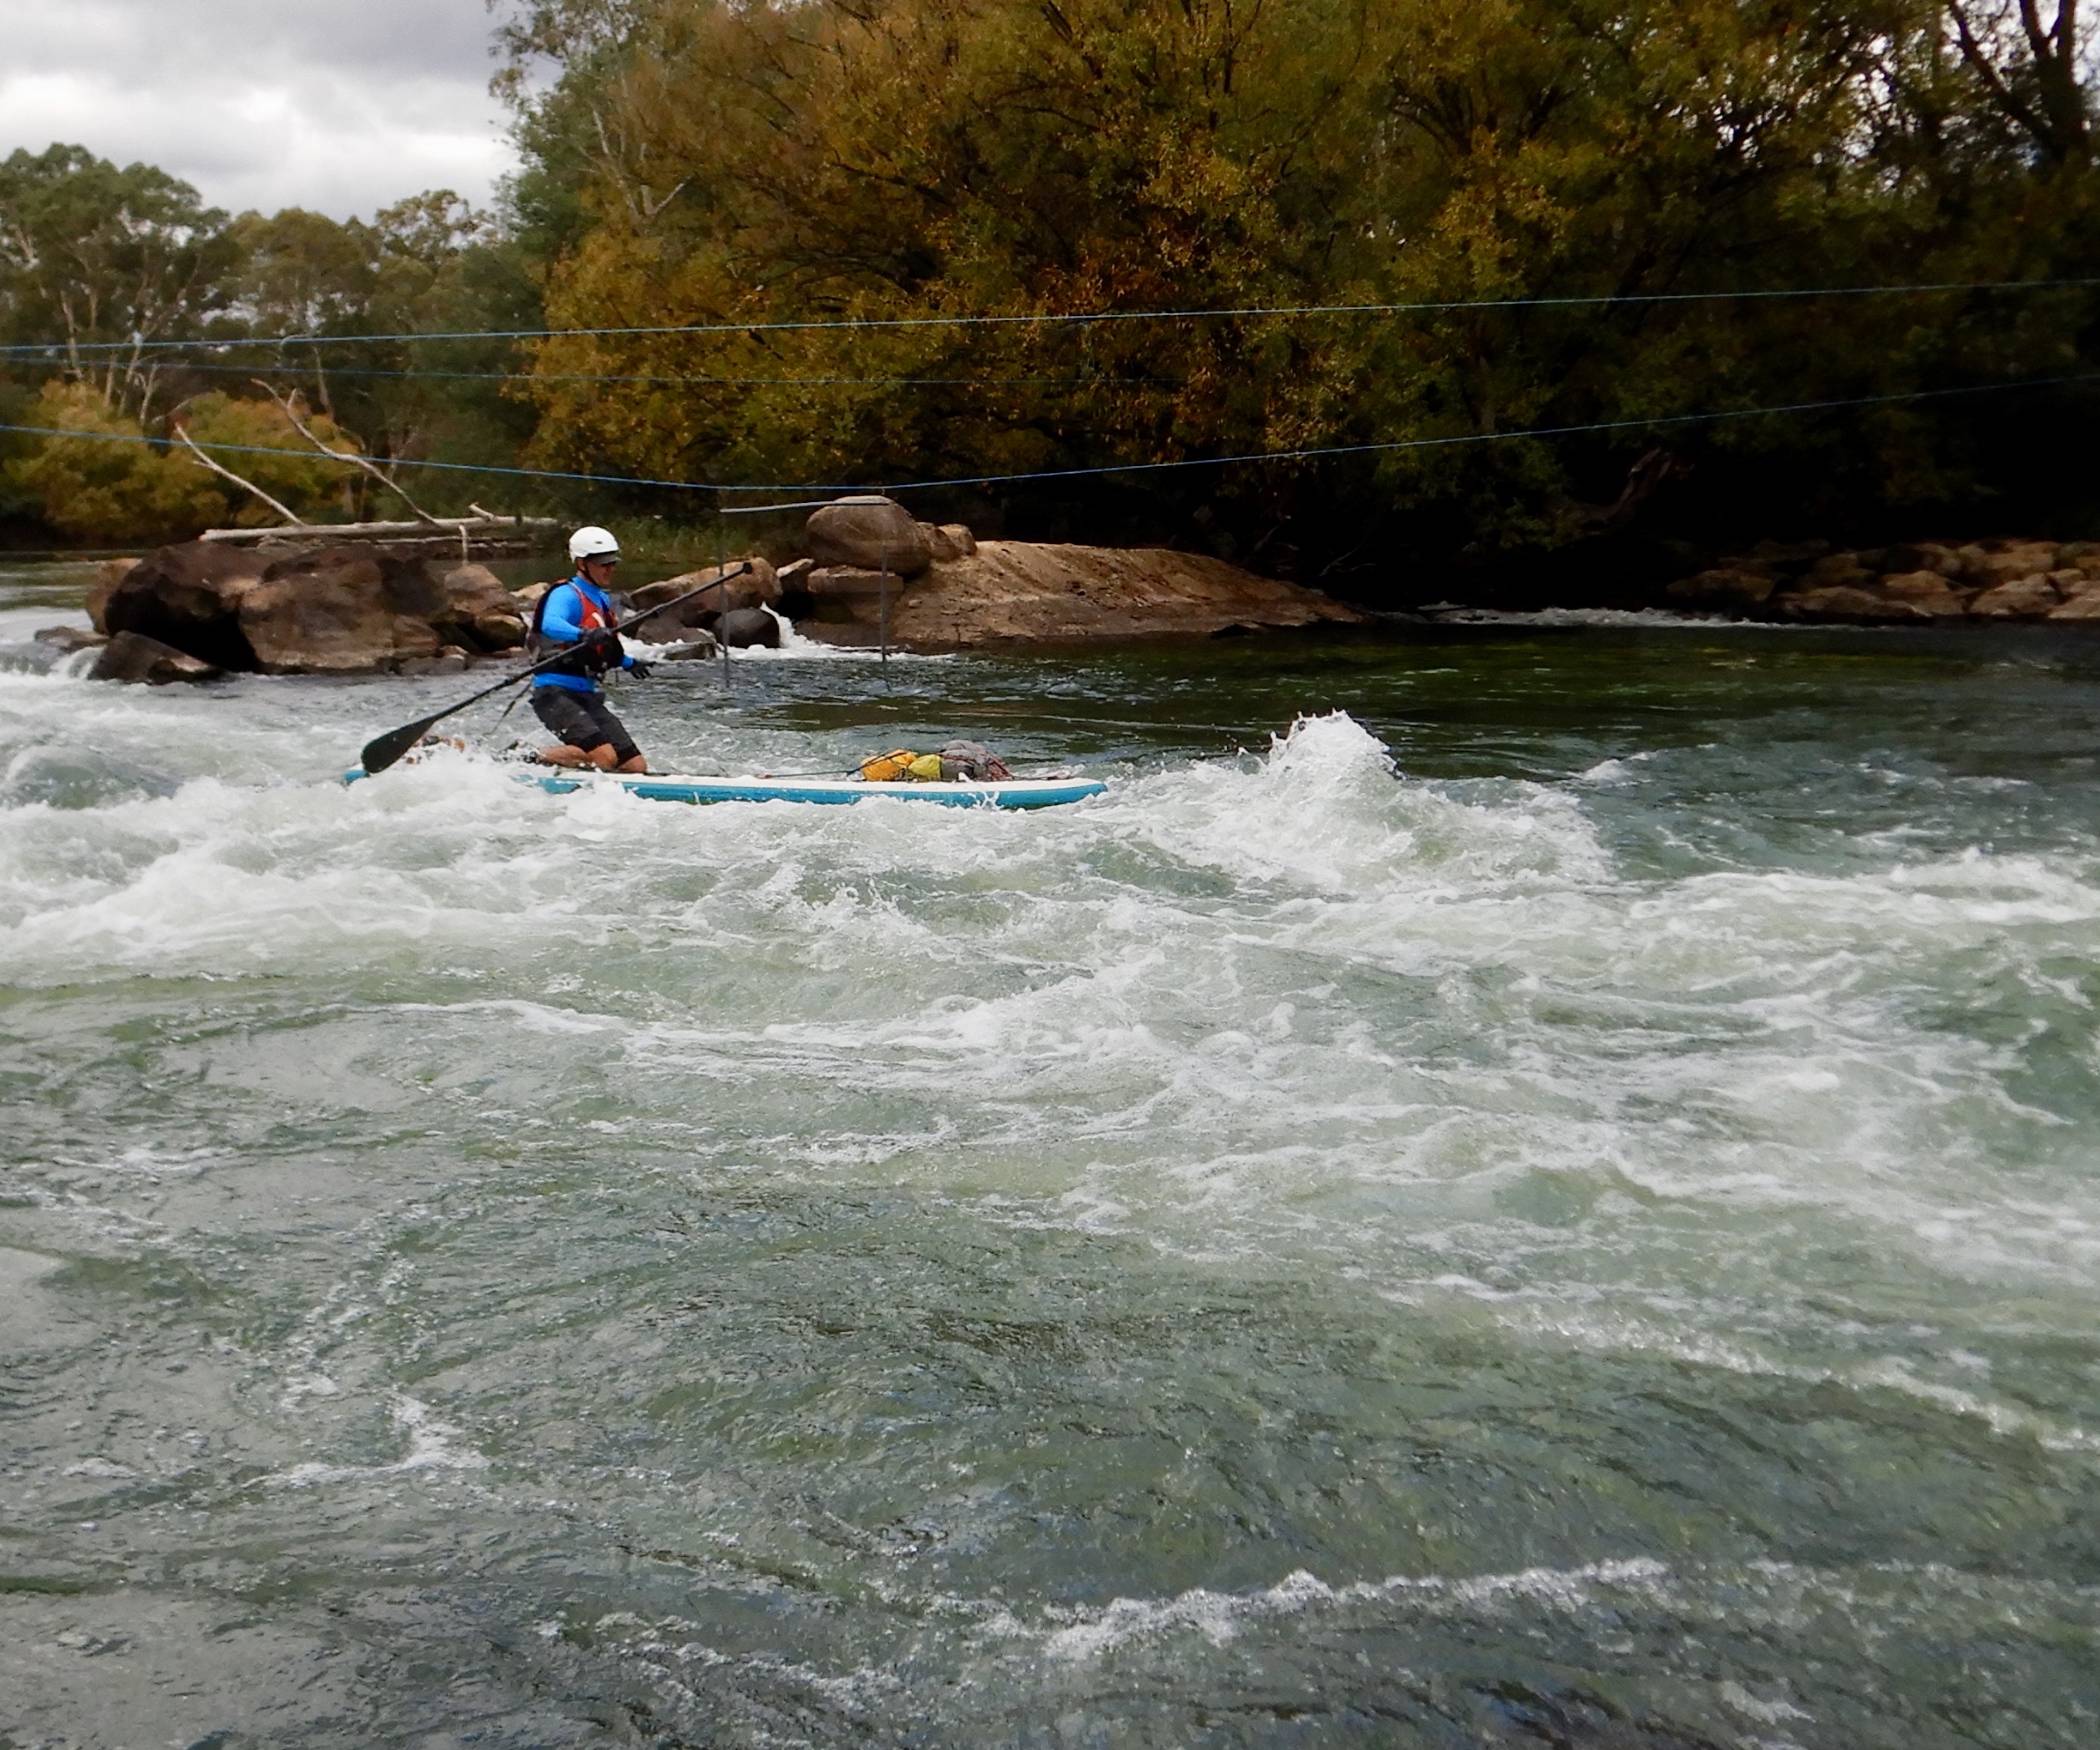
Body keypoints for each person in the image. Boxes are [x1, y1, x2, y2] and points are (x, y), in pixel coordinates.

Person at [531, 526, 655, 773]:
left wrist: (629, 663)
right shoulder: (567, 594)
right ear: (581, 563)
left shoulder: (602, 600)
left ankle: (573, 767)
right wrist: (583, 634)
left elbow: (603, 647)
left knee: (635, 766)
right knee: (604, 757)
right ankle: (523, 759)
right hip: (555, 694)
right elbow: (550, 623)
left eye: (612, 562)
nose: (609, 568)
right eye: (602, 563)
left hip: (586, 694)